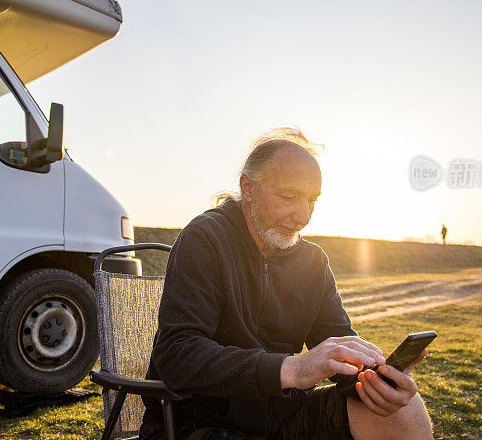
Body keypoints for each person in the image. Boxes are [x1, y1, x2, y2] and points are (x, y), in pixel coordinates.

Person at [140, 128, 434, 439]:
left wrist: (374, 381)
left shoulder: (313, 261)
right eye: (288, 196)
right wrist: (292, 369)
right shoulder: (205, 239)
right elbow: (177, 354)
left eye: (312, 199)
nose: (304, 215)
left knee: (404, 409)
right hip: (197, 422)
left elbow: (339, 345)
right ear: (248, 187)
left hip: (283, 416)